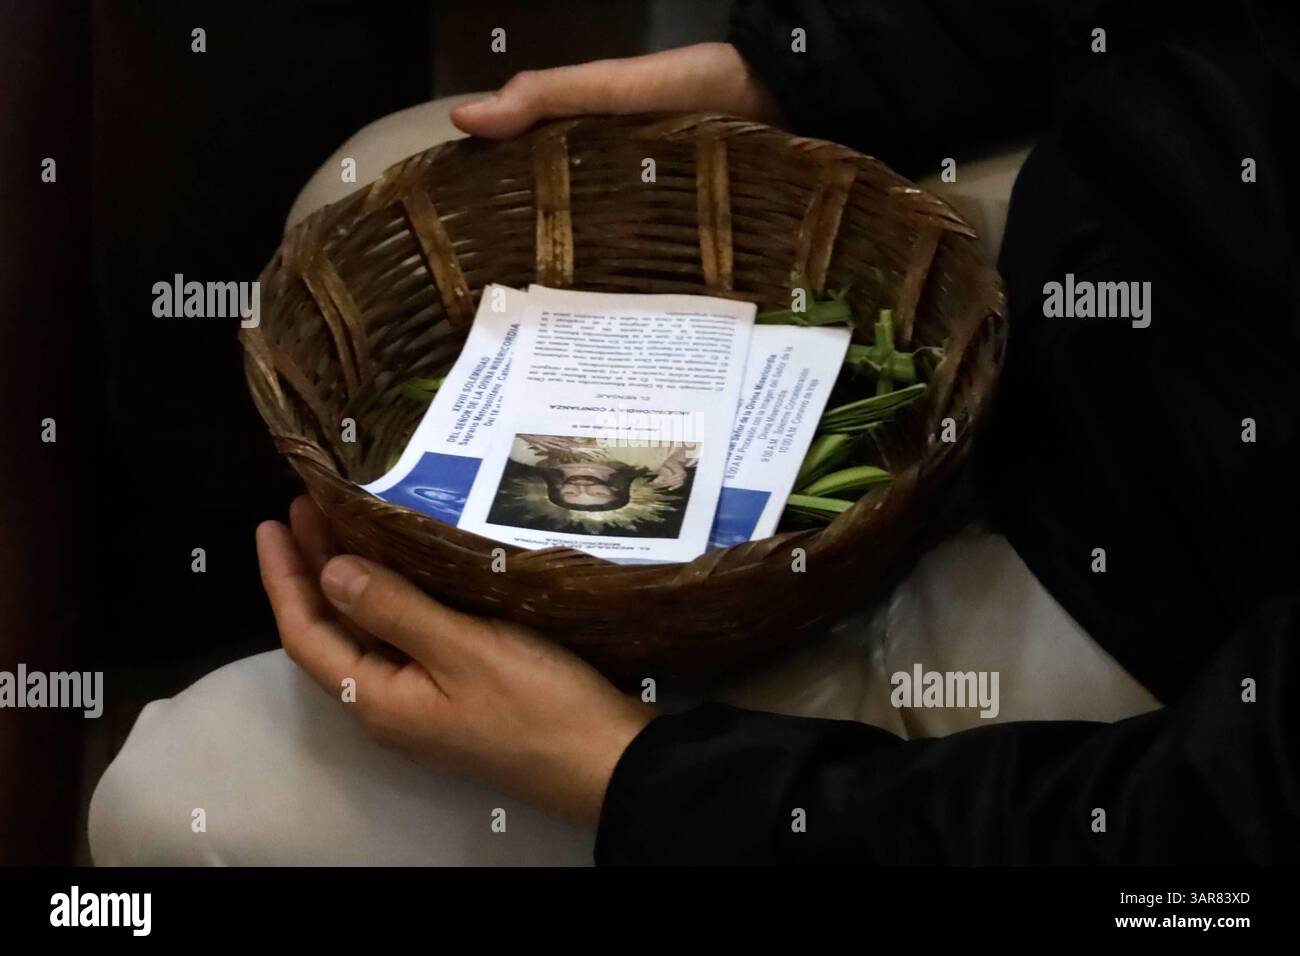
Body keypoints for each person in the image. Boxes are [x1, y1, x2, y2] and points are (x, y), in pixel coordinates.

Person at [92, 1, 1300, 864]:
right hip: (1106, 269)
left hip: (1155, 670)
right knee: (375, 183)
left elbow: (1207, 833)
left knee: (175, 789)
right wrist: (797, 72)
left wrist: (625, 775)